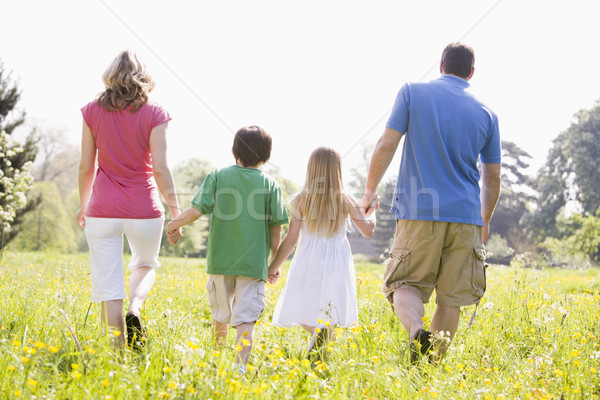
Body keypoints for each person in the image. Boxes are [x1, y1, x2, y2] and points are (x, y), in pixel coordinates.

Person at [361, 42, 502, 363]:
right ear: (471, 73)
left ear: (441, 66)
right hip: (467, 218)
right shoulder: (487, 113)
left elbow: (387, 143)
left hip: (419, 211)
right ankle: (430, 371)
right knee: (451, 299)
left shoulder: (412, 92)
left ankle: (415, 330)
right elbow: (493, 176)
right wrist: (485, 217)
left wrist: (369, 191)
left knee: (403, 284)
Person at [77, 50, 181, 351]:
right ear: (145, 78)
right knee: (146, 265)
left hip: (102, 210)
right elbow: (160, 169)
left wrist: (84, 206)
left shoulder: (91, 111)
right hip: (144, 209)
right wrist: (176, 212)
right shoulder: (156, 113)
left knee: (108, 285)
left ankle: (118, 357)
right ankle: (135, 309)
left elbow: (86, 167)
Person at [166, 125, 288, 373]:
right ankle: (239, 370)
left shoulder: (218, 176)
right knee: (246, 321)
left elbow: (196, 210)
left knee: (220, 315)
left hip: (221, 261)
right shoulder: (271, 184)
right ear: (266, 155)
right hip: (254, 265)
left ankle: (215, 362)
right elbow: (276, 230)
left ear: (235, 150)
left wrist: (173, 224)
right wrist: (274, 263)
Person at [269, 147, 375, 359]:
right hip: (338, 260)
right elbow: (368, 230)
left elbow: (291, 239)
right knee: (328, 308)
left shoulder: (301, 200)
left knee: (302, 308)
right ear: (338, 171)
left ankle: (319, 346)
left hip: (309, 258)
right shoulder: (345, 200)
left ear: (311, 169)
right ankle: (322, 341)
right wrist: (372, 212)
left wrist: (273, 266)